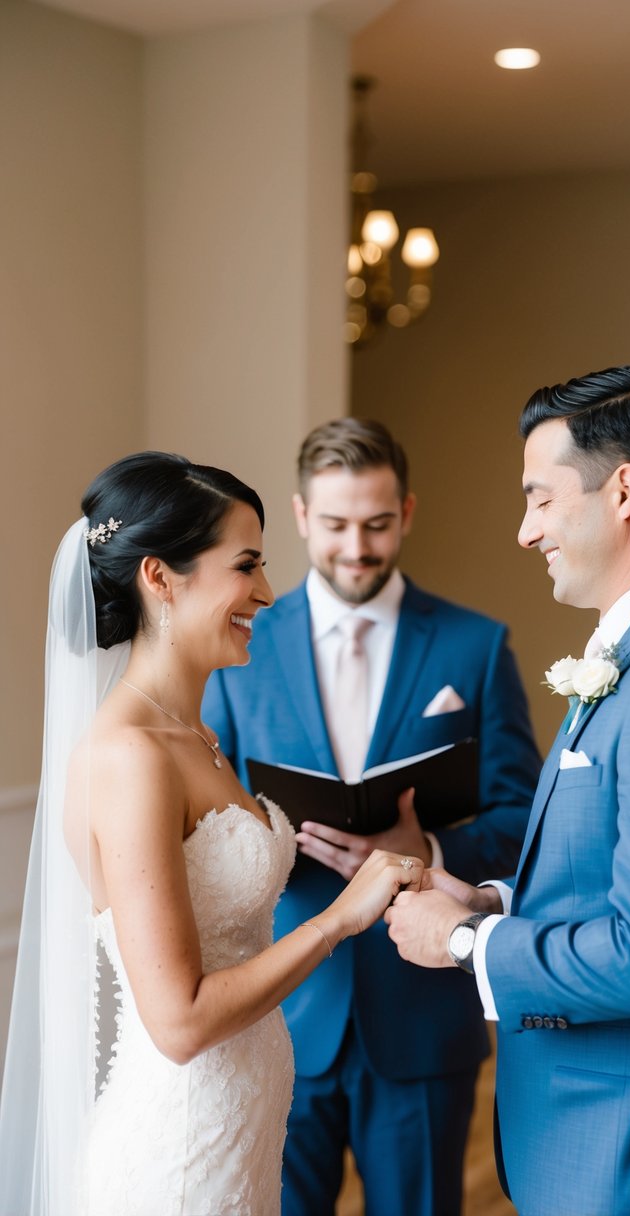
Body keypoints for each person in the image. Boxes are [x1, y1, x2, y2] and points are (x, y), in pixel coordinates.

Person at [387, 365, 630, 1216]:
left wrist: (466, 942)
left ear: (622, 491)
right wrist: (494, 898)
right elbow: (609, 872)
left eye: (540, 499)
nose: (525, 531)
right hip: (595, 1136)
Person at [0, 451, 424, 1216]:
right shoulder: (130, 754)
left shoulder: (194, 737)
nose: (265, 592)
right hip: (179, 1157)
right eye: (246, 566)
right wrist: (338, 920)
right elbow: (181, 1020)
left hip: (239, 1136)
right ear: (161, 578)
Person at [202, 417, 541, 1216]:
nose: (357, 546)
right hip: (280, 1012)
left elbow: (526, 817)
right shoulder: (239, 643)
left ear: (407, 512)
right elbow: (205, 810)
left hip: (422, 1016)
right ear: (298, 517)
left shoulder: (475, 646)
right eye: (336, 525)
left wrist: (423, 845)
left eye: (377, 524)